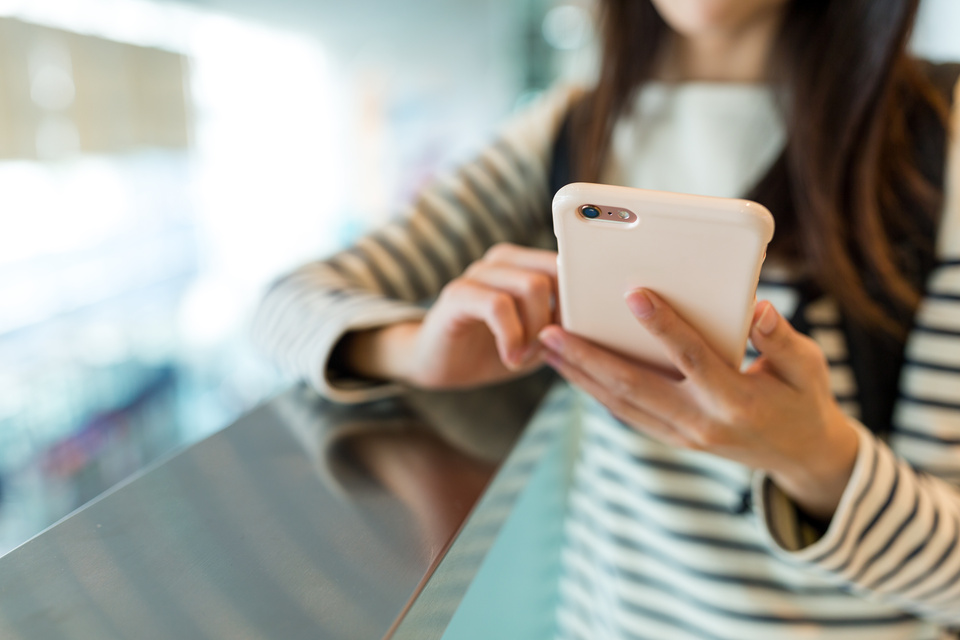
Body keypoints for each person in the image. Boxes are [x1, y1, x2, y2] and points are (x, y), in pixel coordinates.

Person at [253, 0, 960, 637]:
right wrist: (410, 350)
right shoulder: (570, 127)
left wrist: (818, 461)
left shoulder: (940, 138)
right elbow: (284, 305)